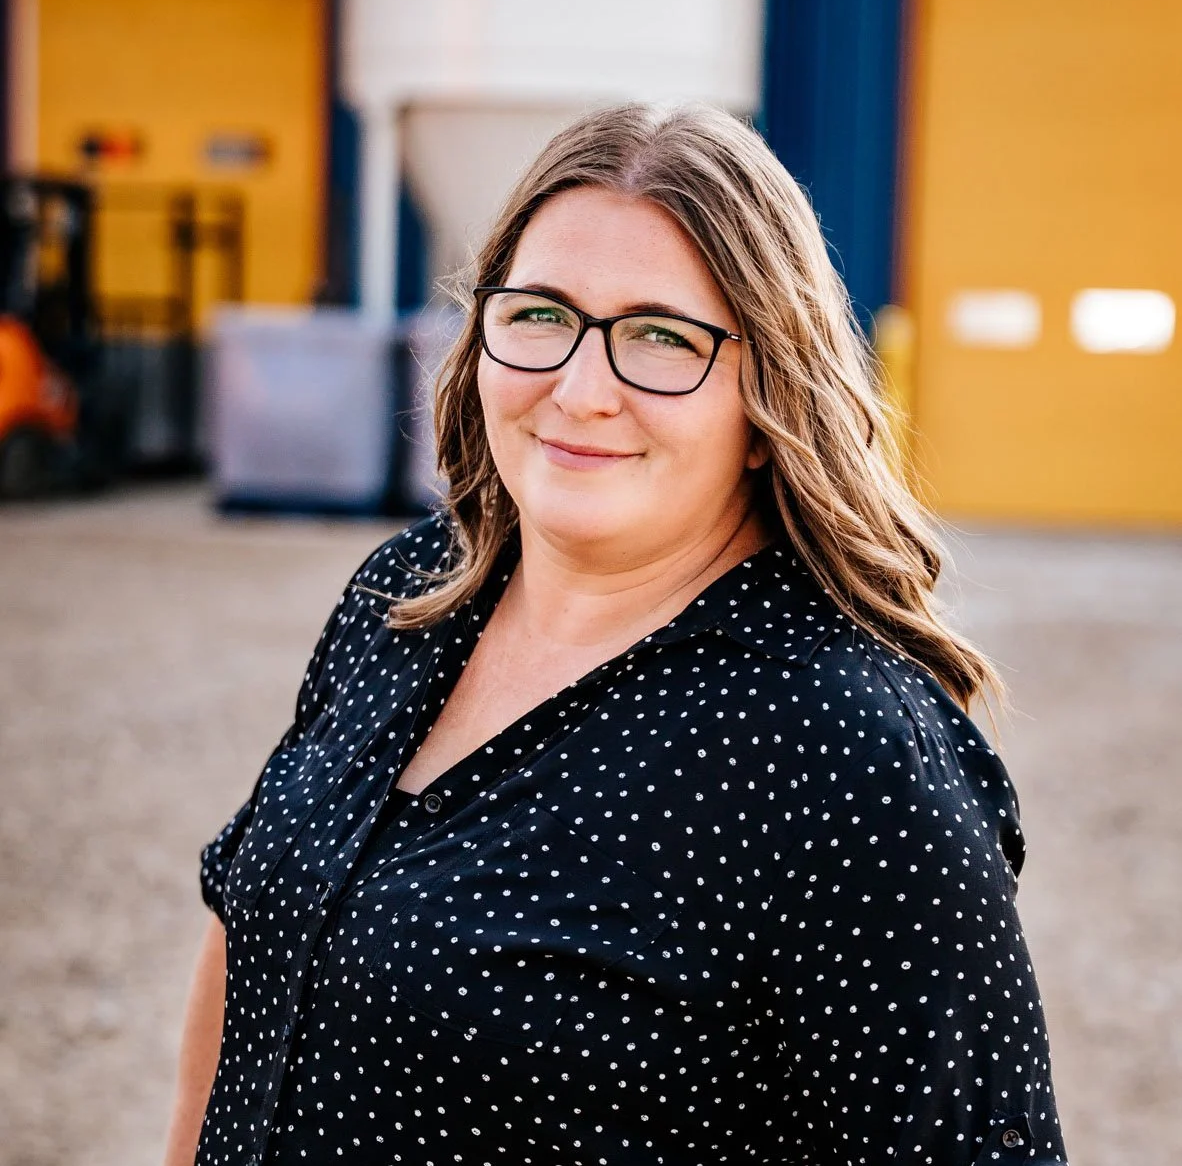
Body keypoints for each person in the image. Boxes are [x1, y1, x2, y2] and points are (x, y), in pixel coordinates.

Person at [164, 103, 1068, 1166]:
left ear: (772, 396)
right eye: (542, 314)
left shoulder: (845, 754)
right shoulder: (407, 597)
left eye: (661, 337)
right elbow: (250, 939)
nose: (582, 390)